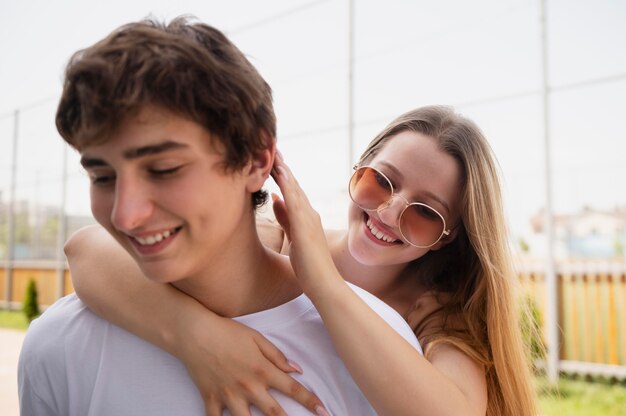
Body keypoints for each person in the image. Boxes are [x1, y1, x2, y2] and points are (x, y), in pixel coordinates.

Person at [17, 16, 423, 416]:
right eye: (102, 176)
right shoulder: (56, 345)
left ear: (255, 160)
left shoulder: (376, 352)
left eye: (164, 169)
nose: (126, 215)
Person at [65, 104, 540, 416]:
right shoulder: (275, 237)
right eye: (382, 181)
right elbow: (86, 251)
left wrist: (323, 285)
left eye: (425, 213)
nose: (391, 212)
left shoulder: (437, 314)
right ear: (358, 170)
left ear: (446, 237)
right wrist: (195, 334)